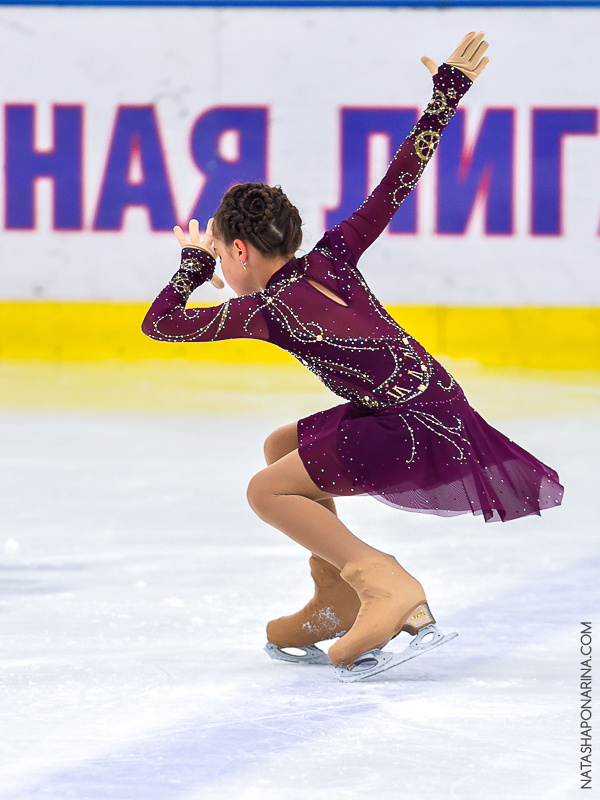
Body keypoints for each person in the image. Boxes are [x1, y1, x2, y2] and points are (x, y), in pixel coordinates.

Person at [142, 33, 563, 678]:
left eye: (221, 255)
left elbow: (162, 324)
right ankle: (335, 595)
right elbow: (398, 180)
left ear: (240, 252)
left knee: (264, 491)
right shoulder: (334, 255)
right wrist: (446, 95)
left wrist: (190, 269)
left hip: (410, 430)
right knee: (281, 447)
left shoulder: (264, 309)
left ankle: (381, 582)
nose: (221, 268)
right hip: (439, 409)